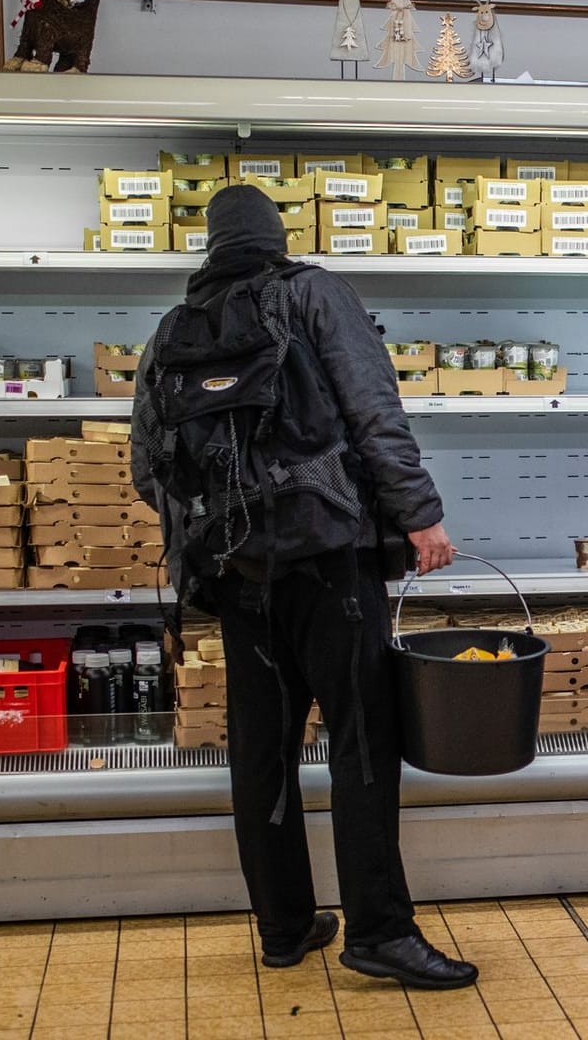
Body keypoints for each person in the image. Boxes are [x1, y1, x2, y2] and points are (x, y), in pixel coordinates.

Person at [131, 184, 476, 989]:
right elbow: (374, 413)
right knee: (361, 742)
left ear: (209, 245)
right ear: (275, 235)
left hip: (234, 573)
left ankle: (284, 927)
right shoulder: (314, 292)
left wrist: (225, 526)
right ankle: (380, 933)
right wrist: (420, 517)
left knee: (261, 750)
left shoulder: (172, 330)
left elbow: (147, 466)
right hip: (331, 563)